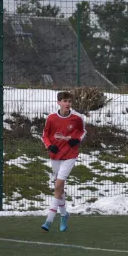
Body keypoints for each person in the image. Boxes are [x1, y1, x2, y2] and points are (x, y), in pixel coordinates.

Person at [40, 91, 86, 232]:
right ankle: (64, 215)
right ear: (58, 102)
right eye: (65, 101)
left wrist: (76, 140)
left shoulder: (77, 118)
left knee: (58, 185)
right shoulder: (52, 118)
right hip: (55, 156)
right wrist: (49, 146)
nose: (67, 104)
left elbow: (83, 131)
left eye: (69, 101)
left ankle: (49, 220)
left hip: (70, 155)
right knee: (60, 188)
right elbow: (45, 135)